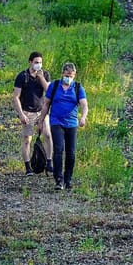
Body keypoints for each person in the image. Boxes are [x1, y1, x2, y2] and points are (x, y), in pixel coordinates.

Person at [41, 62, 87, 190]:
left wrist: (82, 117)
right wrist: (41, 120)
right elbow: (46, 104)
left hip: (72, 123)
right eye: (67, 75)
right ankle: (58, 179)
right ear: (62, 74)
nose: (69, 77)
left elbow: (84, 105)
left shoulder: (78, 88)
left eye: (71, 75)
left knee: (71, 152)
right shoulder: (54, 86)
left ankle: (68, 179)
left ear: (74, 75)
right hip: (56, 121)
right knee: (58, 149)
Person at [13, 51, 52, 176]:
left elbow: (48, 91)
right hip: (27, 111)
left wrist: (41, 78)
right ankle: (28, 166)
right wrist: (21, 114)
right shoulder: (22, 76)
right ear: (30, 62)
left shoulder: (45, 75)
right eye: (36, 62)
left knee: (47, 135)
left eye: (40, 62)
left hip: (42, 111)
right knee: (27, 139)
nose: (38, 65)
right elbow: (16, 97)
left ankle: (49, 163)